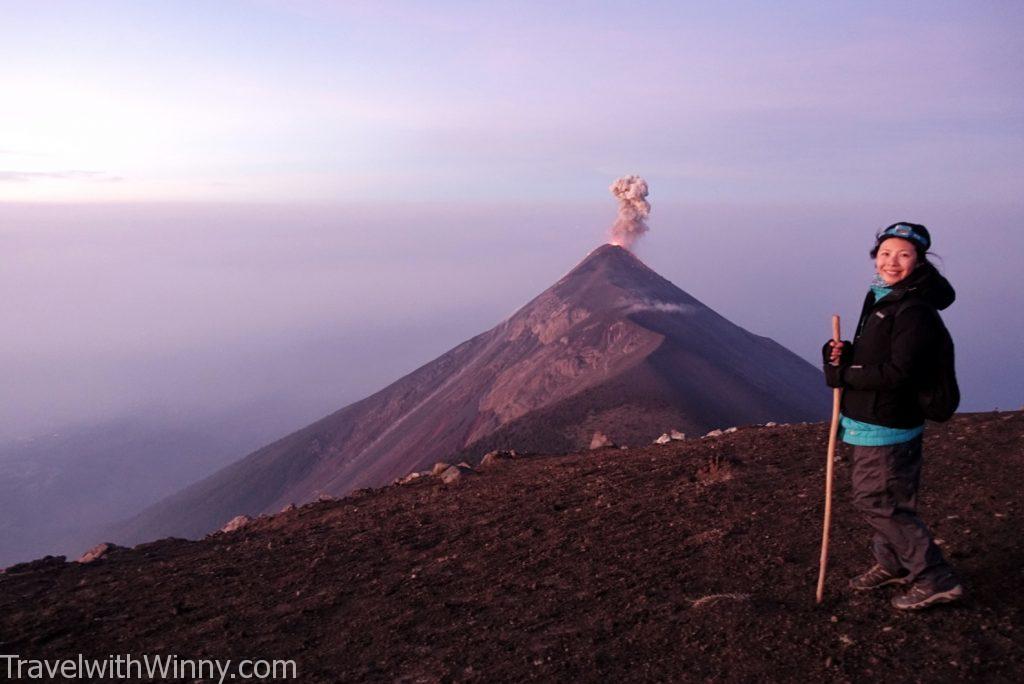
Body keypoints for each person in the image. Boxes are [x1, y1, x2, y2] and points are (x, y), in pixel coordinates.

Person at [822, 222, 963, 610]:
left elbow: (900, 373)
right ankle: (894, 563)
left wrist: (844, 375)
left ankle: (934, 577)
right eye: (885, 253)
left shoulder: (913, 308)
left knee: (876, 501)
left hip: (885, 424)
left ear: (919, 260)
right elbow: (882, 357)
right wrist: (845, 355)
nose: (891, 261)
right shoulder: (886, 296)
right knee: (891, 498)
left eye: (903, 254)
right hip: (881, 417)